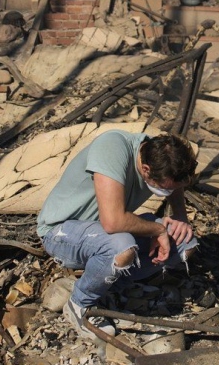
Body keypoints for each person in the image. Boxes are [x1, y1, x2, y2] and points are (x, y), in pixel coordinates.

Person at [36, 130, 199, 342]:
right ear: (146, 169)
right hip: (61, 232)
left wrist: (180, 217)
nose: (167, 193)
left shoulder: (162, 156)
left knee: (186, 242)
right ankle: (80, 304)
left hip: (105, 231)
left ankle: (110, 289)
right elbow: (112, 222)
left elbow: (176, 184)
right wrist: (157, 230)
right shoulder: (112, 147)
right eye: (164, 189)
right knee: (121, 246)